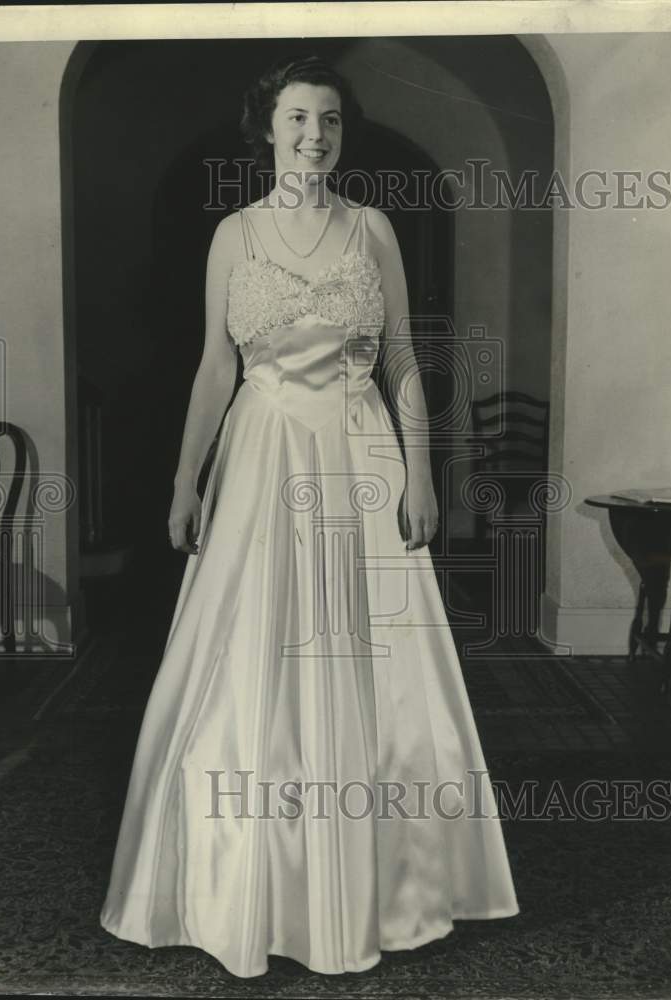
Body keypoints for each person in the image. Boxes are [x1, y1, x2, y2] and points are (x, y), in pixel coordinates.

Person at [100, 54, 519, 979]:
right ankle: (248, 886)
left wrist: (421, 472)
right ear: (267, 128)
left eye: (328, 120)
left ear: (341, 132)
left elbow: (401, 356)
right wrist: (183, 481)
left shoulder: (373, 228)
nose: (313, 135)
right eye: (297, 118)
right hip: (261, 454)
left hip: (362, 452)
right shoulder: (234, 233)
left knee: (375, 660)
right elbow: (215, 367)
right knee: (251, 652)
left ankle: (385, 886)